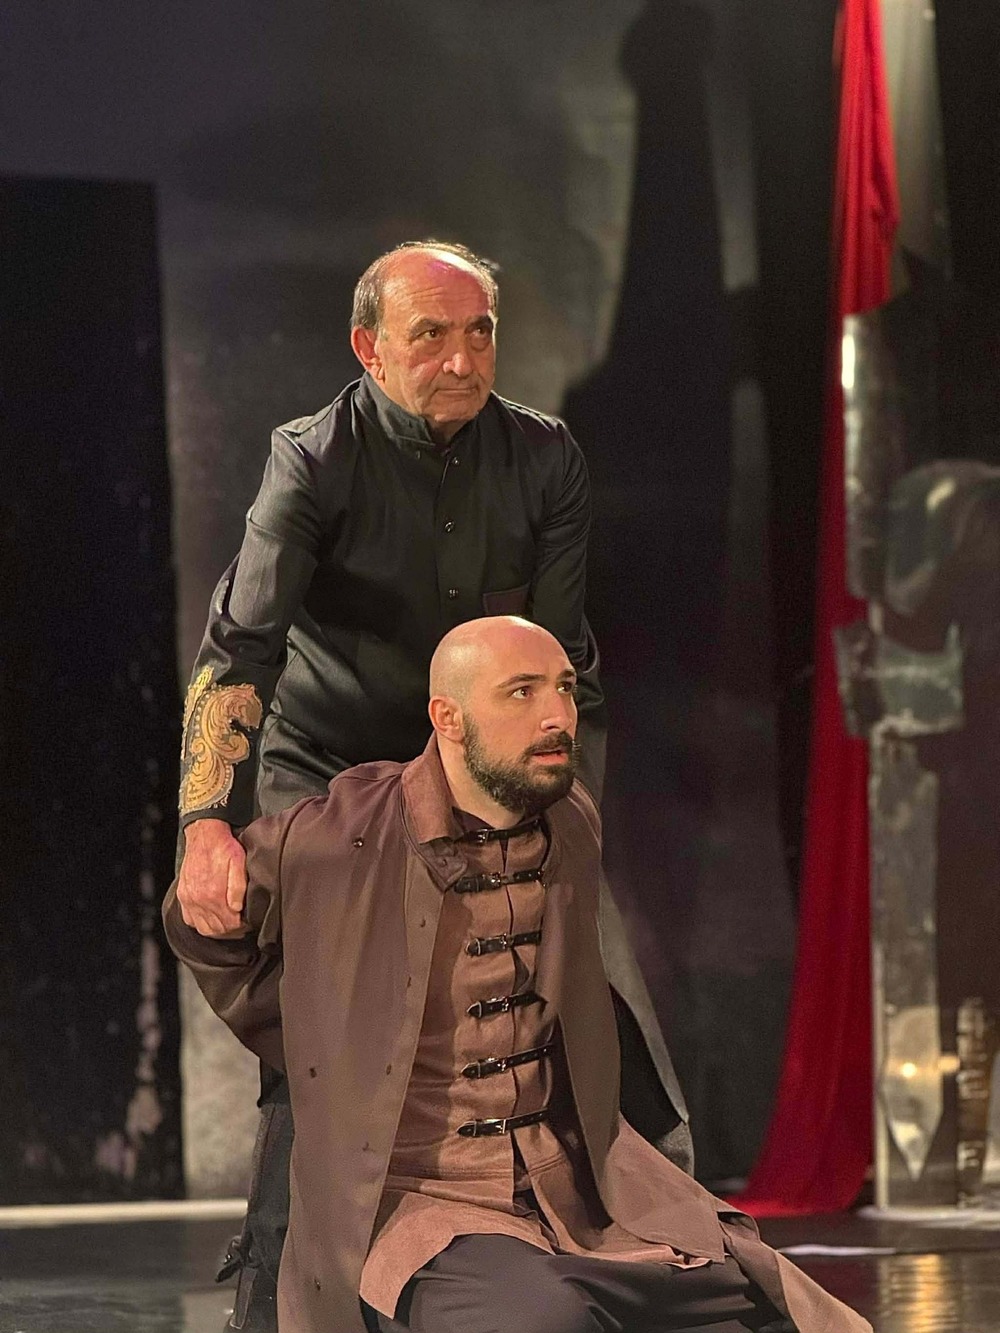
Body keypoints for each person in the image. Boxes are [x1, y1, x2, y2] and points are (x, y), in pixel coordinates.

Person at [176, 240, 690, 1329]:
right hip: (329, 767)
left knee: (569, 992)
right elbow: (240, 648)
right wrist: (206, 822)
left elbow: (558, 657)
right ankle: (281, 1300)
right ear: (369, 348)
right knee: (323, 1032)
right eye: (430, 336)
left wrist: (566, 813)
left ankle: (614, 1248)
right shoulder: (311, 459)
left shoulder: (544, 456)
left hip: (481, 763)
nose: (462, 359)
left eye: (479, 332)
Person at [165, 617, 870, 1333]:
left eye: (564, 688)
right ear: (449, 718)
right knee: (542, 1318)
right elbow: (199, 920)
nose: (557, 714)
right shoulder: (344, 831)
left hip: (566, 1186)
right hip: (419, 1200)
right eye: (522, 692)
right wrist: (319, 1035)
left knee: (786, 1309)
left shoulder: (571, 821)